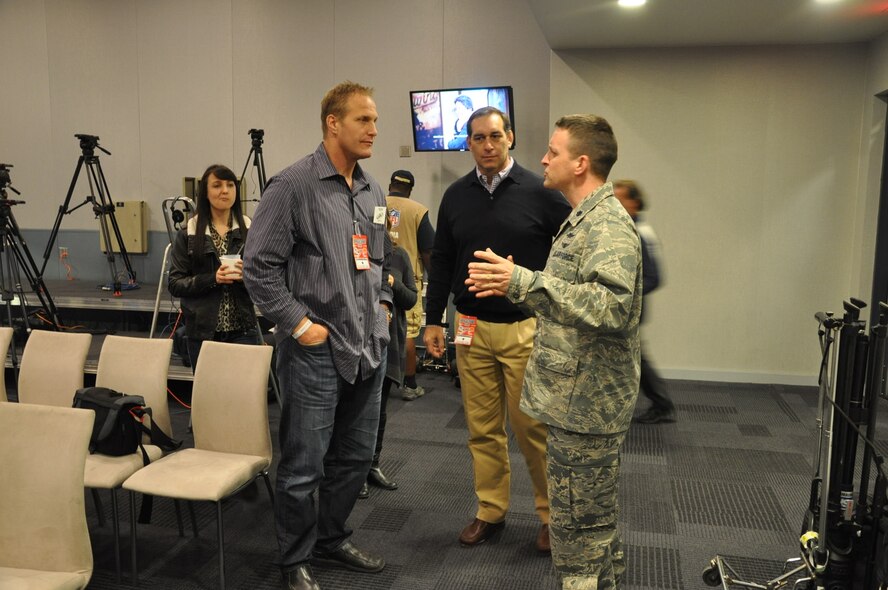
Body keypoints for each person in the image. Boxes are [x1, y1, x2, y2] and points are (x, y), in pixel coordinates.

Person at [466, 114, 642, 589]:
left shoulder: (605, 226)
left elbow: (613, 307)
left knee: (578, 536)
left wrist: (522, 281)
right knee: (591, 527)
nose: (543, 158)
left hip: (587, 406)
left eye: (554, 152)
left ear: (581, 163)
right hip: (574, 401)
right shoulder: (581, 217)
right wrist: (523, 282)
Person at [242, 81, 392, 590]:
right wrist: (301, 326)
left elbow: (381, 261)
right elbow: (257, 268)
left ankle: (330, 538)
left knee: (353, 459)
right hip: (315, 352)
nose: (374, 130)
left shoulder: (372, 189)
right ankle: (294, 558)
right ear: (333, 123)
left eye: (374, 120)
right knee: (304, 466)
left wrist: (386, 308)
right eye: (363, 120)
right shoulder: (292, 186)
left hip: (369, 346)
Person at [424, 106, 571, 553]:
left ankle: (550, 516)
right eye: (477, 138)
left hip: (524, 328)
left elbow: (569, 251)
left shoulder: (541, 191)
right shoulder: (455, 195)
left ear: (510, 137)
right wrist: (433, 320)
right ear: (468, 143)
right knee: (482, 428)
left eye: (494, 136)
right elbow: (443, 260)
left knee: (531, 429)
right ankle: (490, 510)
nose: (487, 145)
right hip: (470, 327)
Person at [168, 163, 258, 370]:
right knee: (209, 396)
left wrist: (249, 276)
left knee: (243, 393)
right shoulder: (188, 234)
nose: (225, 190)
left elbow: (265, 277)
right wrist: (212, 279)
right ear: (205, 193)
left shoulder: (250, 230)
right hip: (203, 332)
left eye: (230, 185)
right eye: (217, 185)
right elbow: (175, 283)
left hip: (243, 329)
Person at [360, 239, 418, 498]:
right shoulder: (352, 246)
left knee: (379, 410)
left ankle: (373, 464)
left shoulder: (399, 255)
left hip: (388, 342)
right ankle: (354, 471)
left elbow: (411, 299)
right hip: (356, 341)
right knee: (355, 411)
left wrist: (393, 286)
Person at [614, 180, 674, 424]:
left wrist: (627, 295)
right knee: (632, 358)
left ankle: (662, 404)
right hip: (622, 307)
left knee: (636, 358)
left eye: (620, 199)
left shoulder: (640, 233)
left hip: (629, 308)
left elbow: (654, 278)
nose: (614, 204)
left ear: (634, 204)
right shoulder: (625, 229)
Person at [385, 169, 435, 401]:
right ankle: (410, 384)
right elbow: (428, 251)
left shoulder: (375, 202)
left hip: (377, 277)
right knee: (408, 333)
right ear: (410, 189)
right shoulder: (418, 211)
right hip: (407, 280)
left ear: (390, 185)